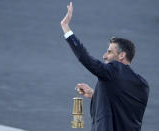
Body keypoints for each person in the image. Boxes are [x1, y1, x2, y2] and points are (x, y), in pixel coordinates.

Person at [60, 2, 149, 131]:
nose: (104, 56)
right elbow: (120, 106)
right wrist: (96, 94)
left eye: (109, 51)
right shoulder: (143, 84)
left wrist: (66, 28)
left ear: (122, 55)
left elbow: (84, 58)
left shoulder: (114, 70)